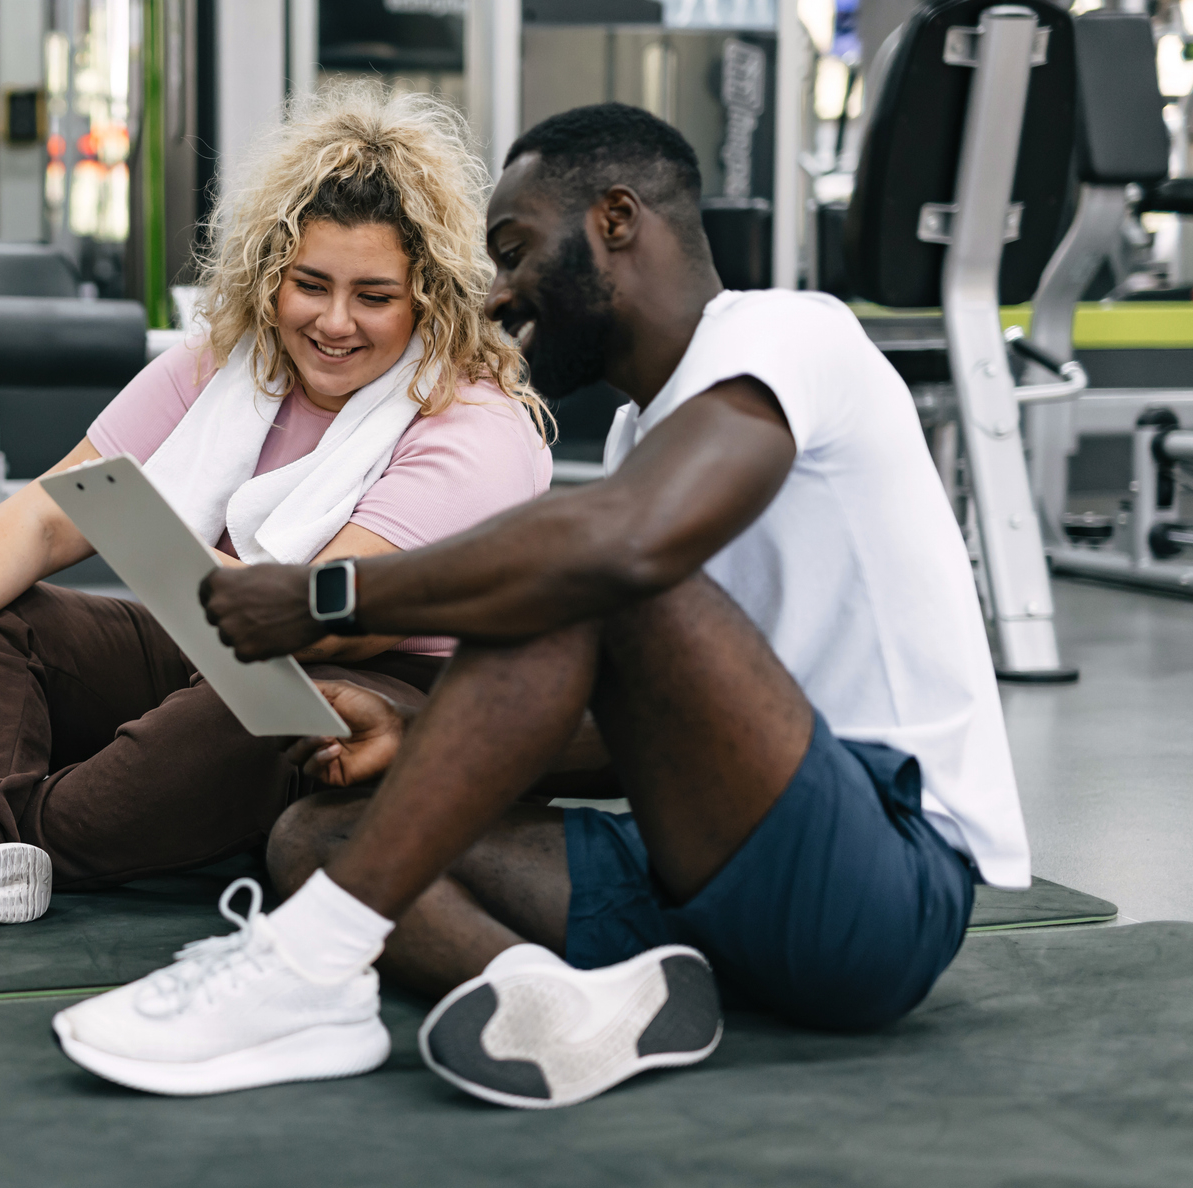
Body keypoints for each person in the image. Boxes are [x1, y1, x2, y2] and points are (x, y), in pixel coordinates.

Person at [49, 103, 1021, 1108]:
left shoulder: (788, 335)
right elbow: (646, 729)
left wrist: (323, 597)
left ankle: (300, 969)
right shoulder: (648, 441)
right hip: (718, 871)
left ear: (615, 219)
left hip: (885, 884)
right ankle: (566, 1007)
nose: (499, 289)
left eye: (514, 250)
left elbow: (615, 555)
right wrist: (416, 728)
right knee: (320, 835)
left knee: (584, 575)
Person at [0, 84, 554, 936]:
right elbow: (45, 518)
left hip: (365, 683)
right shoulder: (225, 365)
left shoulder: (473, 420)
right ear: (272, 272)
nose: (335, 322)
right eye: (310, 284)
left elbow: (331, 617)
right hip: (226, 641)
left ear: (431, 295)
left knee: (249, 706)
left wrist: (174, 565)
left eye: (374, 297)